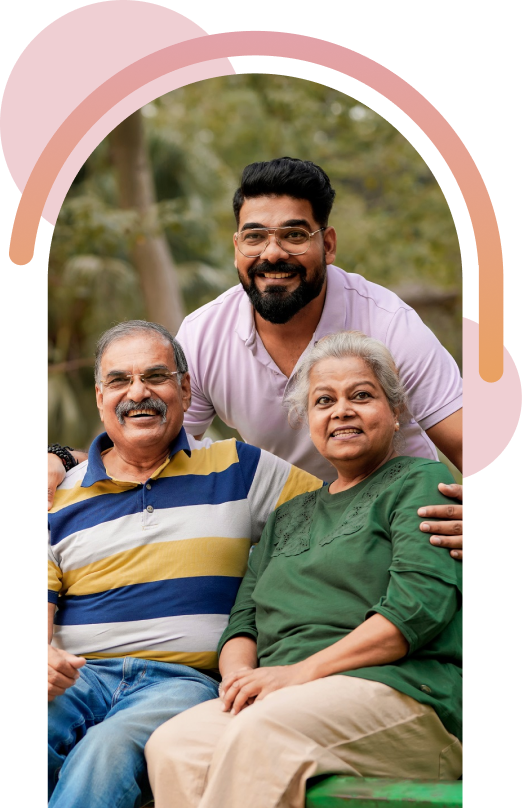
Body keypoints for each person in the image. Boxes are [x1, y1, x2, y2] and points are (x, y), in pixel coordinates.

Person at [47, 157, 463, 557]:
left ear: (328, 244)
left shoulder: (387, 323)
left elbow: (471, 444)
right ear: (236, 246)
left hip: (404, 525)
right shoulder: (205, 335)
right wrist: (64, 460)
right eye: (255, 236)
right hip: (294, 541)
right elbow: (145, 452)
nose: (273, 253)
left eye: (295, 235)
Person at [145, 331, 463, 808]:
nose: (341, 410)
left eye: (361, 395)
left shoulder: (420, 482)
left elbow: (413, 613)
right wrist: (239, 682)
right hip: (285, 699)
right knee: (175, 745)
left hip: (403, 696)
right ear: (308, 420)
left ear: (396, 412)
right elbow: (243, 622)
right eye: (324, 400)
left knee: (263, 733)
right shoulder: (289, 515)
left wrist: (298, 674)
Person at [47, 320, 323, 808]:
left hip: (181, 683)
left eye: (156, 376)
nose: (138, 393)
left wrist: (422, 506)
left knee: (102, 752)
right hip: (80, 675)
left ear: (185, 387)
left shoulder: (240, 467)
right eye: (119, 380)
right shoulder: (58, 495)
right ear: (99, 396)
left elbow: (341, 508)